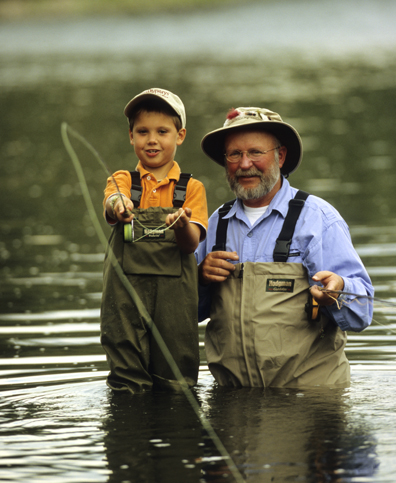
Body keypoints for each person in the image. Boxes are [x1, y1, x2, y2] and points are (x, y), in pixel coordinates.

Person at [196, 106, 373, 388]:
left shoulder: (319, 219)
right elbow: (189, 314)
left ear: (280, 156)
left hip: (311, 404)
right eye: (234, 154)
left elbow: (362, 314)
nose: (244, 164)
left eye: (255, 152)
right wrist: (200, 279)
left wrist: (338, 289)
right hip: (233, 402)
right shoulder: (215, 223)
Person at [100, 88, 208, 393]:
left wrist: (182, 224)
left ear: (180, 135)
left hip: (175, 296)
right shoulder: (121, 180)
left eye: (162, 131)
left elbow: (190, 246)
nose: (152, 140)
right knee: (125, 372)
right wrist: (119, 205)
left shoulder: (192, 188)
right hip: (125, 295)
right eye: (142, 131)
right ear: (131, 136)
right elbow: (111, 201)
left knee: (176, 379)